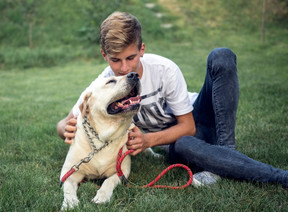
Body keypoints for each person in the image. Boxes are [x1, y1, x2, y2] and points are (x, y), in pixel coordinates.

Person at [57, 11, 288, 188]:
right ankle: (225, 162)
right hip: (181, 144)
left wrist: (147, 141)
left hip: (199, 120)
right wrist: (66, 128)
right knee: (183, 144)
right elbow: (63, 123)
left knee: (221, 56)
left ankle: (228, 153)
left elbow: (188, 126)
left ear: (142, 49)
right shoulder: (105, 85)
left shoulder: (164, 69)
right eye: (115, 60)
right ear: (104, 56)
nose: (124, 68)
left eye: (131, 57)